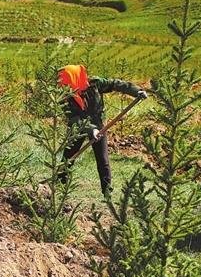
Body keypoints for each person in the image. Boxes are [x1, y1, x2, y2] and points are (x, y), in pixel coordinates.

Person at [57, 64, 147, 196]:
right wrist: (91, 130)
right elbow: (73, 119)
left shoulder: (94, 84)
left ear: (74, 78)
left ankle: (107, 191)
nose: (65, 86)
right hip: (78, 127)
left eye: (67, 82)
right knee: (69, 156)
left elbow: (116, 84)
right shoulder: (64, 96)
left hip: (99, 126)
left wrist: (136, 91)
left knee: (103, 160)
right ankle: (59, 185)